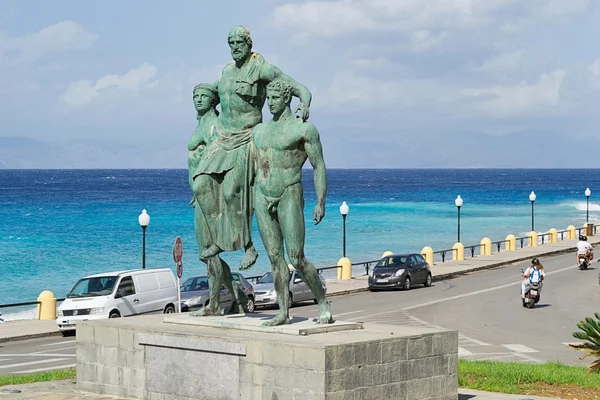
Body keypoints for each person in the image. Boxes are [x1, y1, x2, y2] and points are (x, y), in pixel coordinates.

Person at [191, 26, 312, 272]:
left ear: (249, 43)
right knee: (201, 185)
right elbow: (210, 91)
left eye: (239, 42)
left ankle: (247, 245)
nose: (235, 47)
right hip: (223, 138)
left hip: (246, 137)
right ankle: (220, 239)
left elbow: (294, 85)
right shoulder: (226, 72)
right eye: (231, 43)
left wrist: (305, 100)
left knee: (231, 192)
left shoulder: (260, 68)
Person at [252, 79, 332, 326]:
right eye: (268, 98)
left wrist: (321, 201)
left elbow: (318, 166)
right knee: (275, 258)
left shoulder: (304, 130)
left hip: (289, 191)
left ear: (286, 99)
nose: (270, 103)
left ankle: (322, 302)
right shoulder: (259, 131)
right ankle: (283, 312)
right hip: (262, 195)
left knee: (296, 257)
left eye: (275, 98)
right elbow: (254, 168)